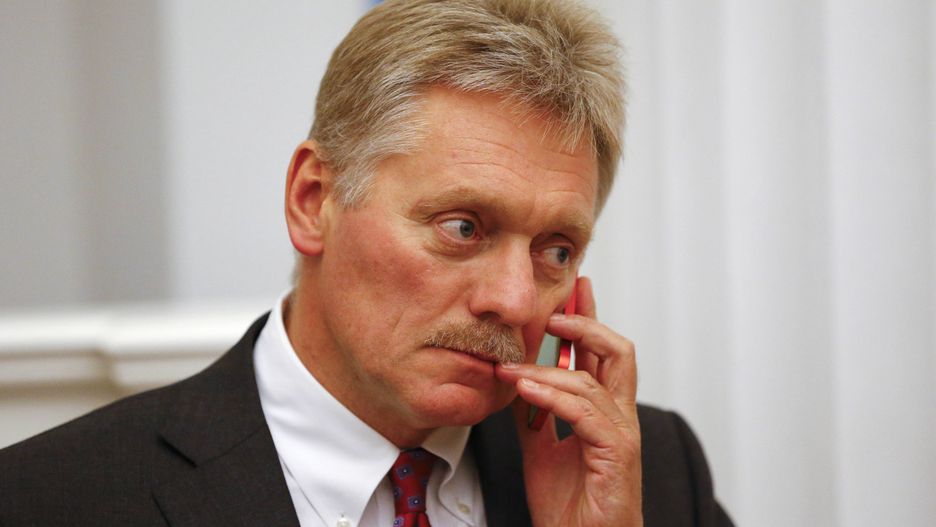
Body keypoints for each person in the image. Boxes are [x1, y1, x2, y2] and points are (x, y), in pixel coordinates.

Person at [0, 1, 733, 525]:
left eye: (556, 251)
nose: (515, 300)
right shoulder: (53, 497)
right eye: (462, 226)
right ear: (313, 199)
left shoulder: (645, 474)